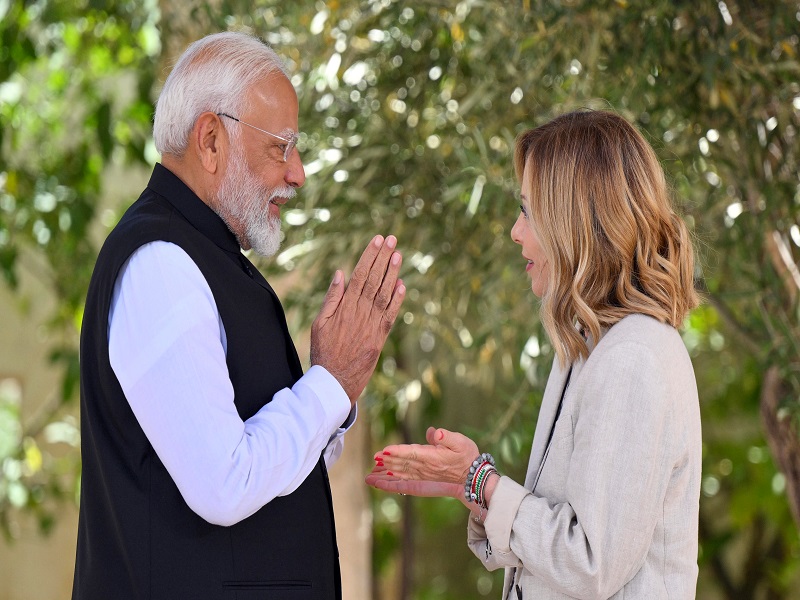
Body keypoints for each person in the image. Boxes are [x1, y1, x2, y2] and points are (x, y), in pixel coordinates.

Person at [72, 31, 405, 599]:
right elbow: (224, 483)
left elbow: (263, 476)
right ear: (210, 140)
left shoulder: (204, 258)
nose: (297, 173)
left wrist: (334, 391)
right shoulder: (162, 265)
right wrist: (328, 385)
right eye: (282, 146)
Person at [367, 110, 701, 599]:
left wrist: (481, 482)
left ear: (574, 222)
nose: (514, 232)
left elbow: (590, 565)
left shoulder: (634, 360)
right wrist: (473, 488)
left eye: (526, 211)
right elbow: (556, 546)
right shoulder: (588, 351)